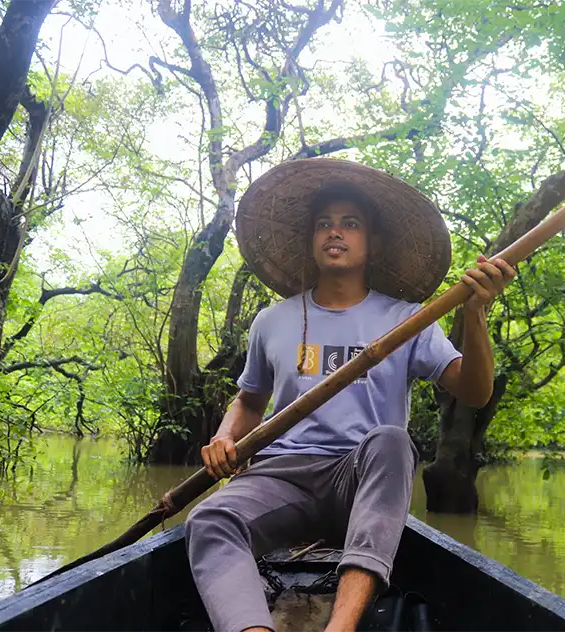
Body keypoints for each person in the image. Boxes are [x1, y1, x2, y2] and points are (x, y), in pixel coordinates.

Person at [185, 159, 516, 632]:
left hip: (363, 478)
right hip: (284, 475)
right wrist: (223, 438)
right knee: (209, 519)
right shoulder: (272, 321)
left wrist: (478, 315)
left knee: (391, 440)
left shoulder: (408, 317)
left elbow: (474, 391)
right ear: (311, 240)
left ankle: (340, 627)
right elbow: (249, 400)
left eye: (349, 224)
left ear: (372, 242)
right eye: (324, 225)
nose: (334, 233)